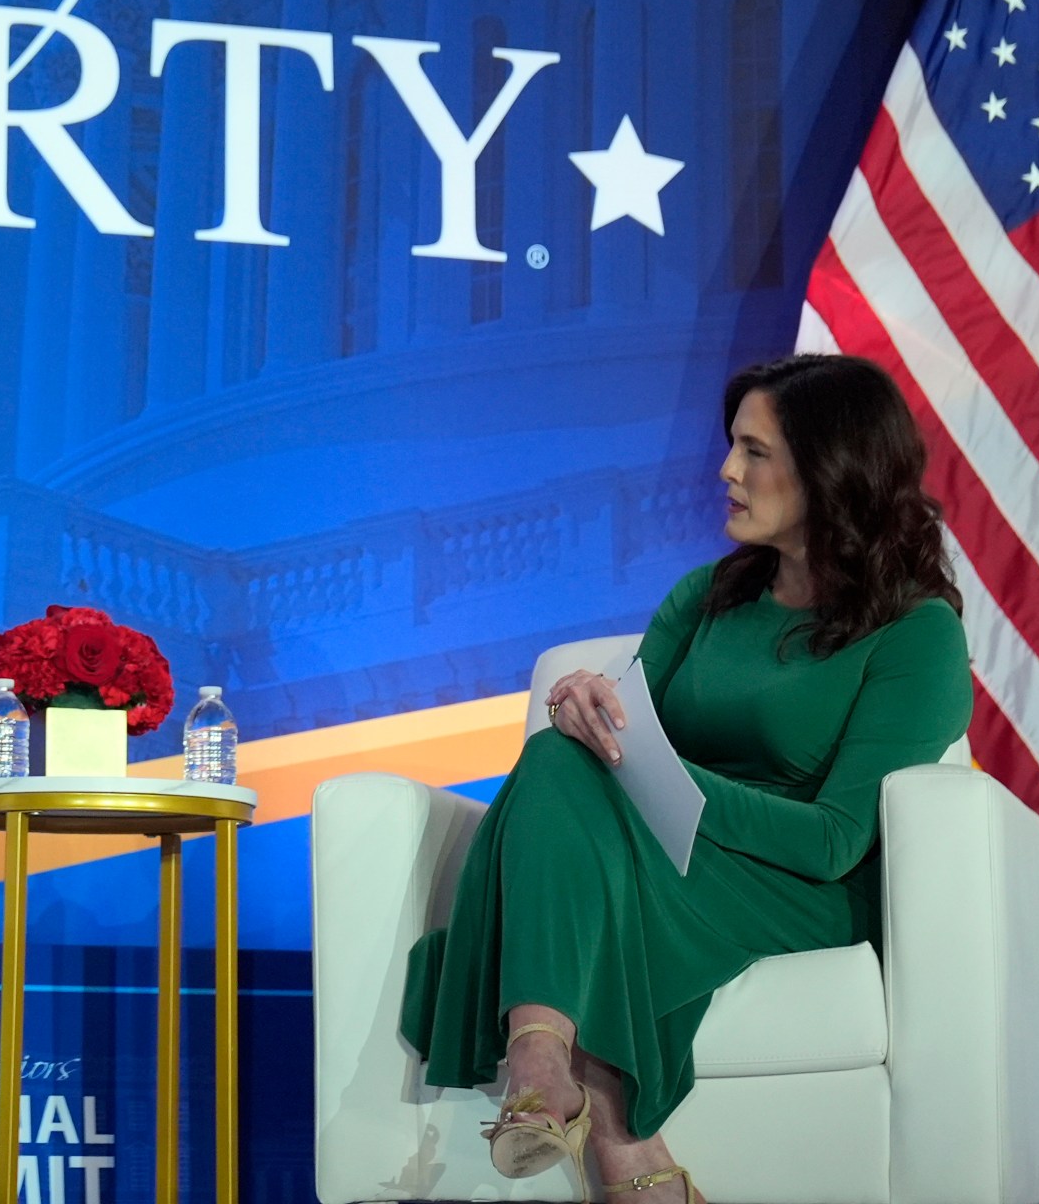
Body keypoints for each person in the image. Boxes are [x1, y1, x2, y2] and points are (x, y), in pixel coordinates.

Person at [399, 354, 971, 1204]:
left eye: (755, 452)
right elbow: (624, 733)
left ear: (831, 468)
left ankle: (607, 1125)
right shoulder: (707, 597)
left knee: (588, 810)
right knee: (559, 751)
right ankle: (543, 1057)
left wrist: (664, 783)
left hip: (797, 881)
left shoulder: (916, 635)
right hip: (658, 854)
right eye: (731, 447)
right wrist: (588, 707)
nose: (727, 472)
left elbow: (837, 840)